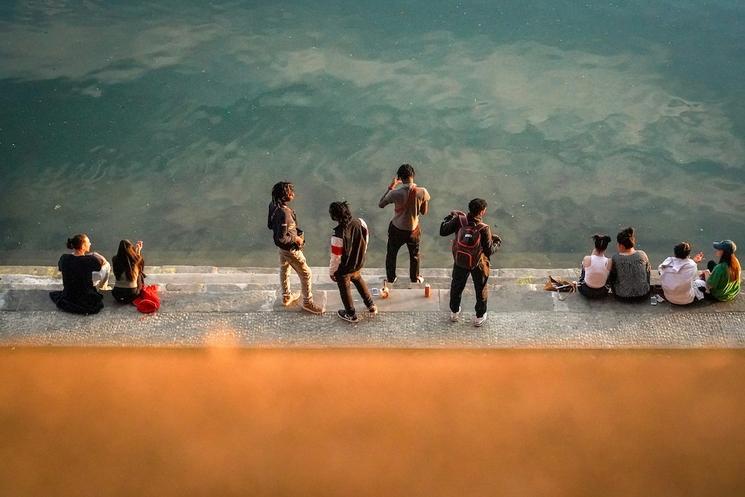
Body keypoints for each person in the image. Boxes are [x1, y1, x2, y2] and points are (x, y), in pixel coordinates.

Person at [440, 198, 501, 327]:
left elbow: (443, 231)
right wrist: (497, 243)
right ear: (483, 212)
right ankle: (479, 317)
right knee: (480, 288)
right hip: (477, 264)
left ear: (469, 209)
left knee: (457, 286)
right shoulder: (484, 228)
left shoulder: (459, 221)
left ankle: (454, 312)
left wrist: (450, 216)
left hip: (460, 260)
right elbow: (489, 251)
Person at [267, 181, 324, 314]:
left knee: (285, 268)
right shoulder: (284, 213)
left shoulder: (273, 205)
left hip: (282, 249)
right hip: (290, 249)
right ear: (284, 196)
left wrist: (288, 229)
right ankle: (307, 302)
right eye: (290, 192)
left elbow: (270, 225)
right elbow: (281, 239)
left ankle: (286, 296)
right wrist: (296, 238)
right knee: (306, 273)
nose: (293, 194)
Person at [378, 163, 431, 284]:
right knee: (414, 255)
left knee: (391, 254)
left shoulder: (395, 193)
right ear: (413, 175)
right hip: (413, 230)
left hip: (397, 228)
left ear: (400, 179)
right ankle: (414, 278)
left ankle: (391, 278)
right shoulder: (422, 191)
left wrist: (391, 187)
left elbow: (381, 204)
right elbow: (424, 212)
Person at [328, 201, 377, 323]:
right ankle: (371, 305)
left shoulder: (337, 235)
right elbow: (366, 239)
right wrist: (361, 254)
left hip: (344, 268)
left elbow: (336, 257)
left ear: (334, 217)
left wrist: (332, 272)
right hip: (358, 262)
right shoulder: (360, 223)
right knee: (358, 279)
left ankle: (351, 314)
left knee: (345, 289)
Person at [49, 233, 109, 315]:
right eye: (88, 242)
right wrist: (95, 254)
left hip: (69, 295)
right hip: (85, 296)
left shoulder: (64, 258)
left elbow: (60, 268)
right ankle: (103, 286)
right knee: (107, 266)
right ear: (83, 246)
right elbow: (103, 263)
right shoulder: (90, 259)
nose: (90, 244)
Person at [608, 227, 651, 302]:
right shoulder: (642, 254)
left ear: (621, 245)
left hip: (622, 296)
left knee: (611, 273)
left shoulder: (615, 257)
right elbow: (648, 273)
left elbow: (612, 277)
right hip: (644, 294)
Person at [111, 239, 146, 304]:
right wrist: (138, 250)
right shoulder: (136, 259)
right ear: (131, 248)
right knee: (140, 274)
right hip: (132, 294)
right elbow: (140, 268)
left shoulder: (115, 259)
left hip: (117, 294)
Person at [578, 234, 612, 299]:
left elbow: (586, 270)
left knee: (584, 268)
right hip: (602, 293)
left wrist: (593, 254)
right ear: (605, 248)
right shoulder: (609, 261)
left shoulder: (587, 258)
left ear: (595, 246)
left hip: (585, 291)